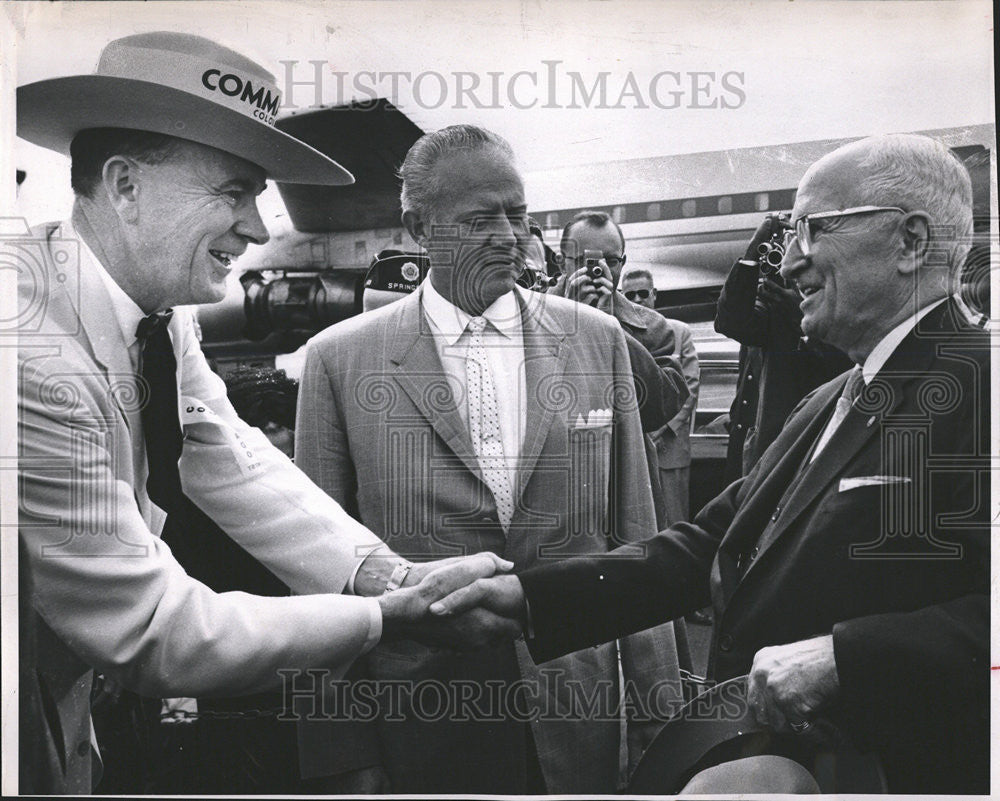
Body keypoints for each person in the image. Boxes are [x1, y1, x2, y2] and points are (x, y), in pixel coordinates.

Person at [15, 32, 516, 794]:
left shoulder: (155, 309)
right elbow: (155, 628)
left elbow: (227, 455)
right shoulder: (27, 356)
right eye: (233, 191)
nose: (255, 226)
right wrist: (392, 616)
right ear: (124, 186)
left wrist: (383, 573)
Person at [430, 133, 990, 795]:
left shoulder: (984, 385)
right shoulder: (826, 401)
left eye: (812, 230)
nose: (788, 264)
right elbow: (705, 548)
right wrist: (527, 597)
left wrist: (849, 656)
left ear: (911, 241)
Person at [294, 125, 687, 794]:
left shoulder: (597, 341)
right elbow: (314, 572)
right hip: (422, 727)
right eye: (480, 219)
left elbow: (638, 543)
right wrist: (342, 750)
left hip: (580, 722)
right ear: (420, 227)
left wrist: (661, 722)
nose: (508, 236)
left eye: (519, 213)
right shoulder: (338, 361)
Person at [715, 218, 852, 483]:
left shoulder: (835, 313)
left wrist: (802, 321)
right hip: (757, 459)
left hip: (798, 458)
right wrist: (753, 252)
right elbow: (729, 320)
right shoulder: (769, 312)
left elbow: (843, 369)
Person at [620, 268, 700, 525]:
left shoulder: (678, 332)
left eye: (643, 293)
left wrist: (661, 428)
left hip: (670, 449)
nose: (638, 300)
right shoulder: (615, 332)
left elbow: (689, 387)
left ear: (654, 295)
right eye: (630, 295)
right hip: (632, 451)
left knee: (675, 523)